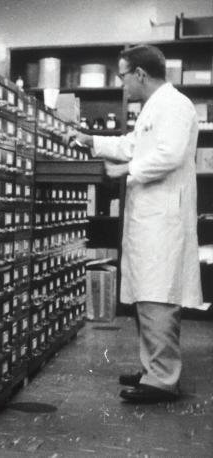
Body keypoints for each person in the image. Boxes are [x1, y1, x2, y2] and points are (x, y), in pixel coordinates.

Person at [66, 44, 202, 403]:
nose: (122, 83)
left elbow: (168, 154)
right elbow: (133, 144)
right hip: (149, 218)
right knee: (147, 295)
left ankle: (162, 378)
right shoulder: (153, 108)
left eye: (124, 75)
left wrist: (129, 169)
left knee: (158, 296)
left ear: (140, 74)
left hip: (163, 219)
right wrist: (90, 140)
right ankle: (154, 368)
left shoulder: (174, 105)